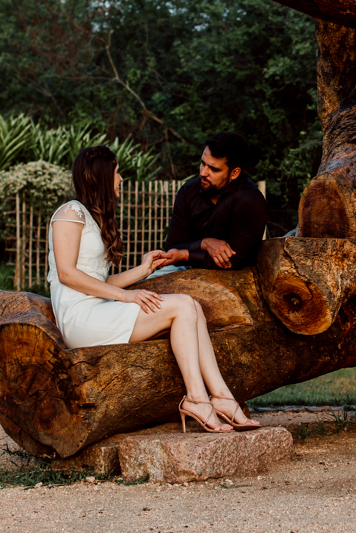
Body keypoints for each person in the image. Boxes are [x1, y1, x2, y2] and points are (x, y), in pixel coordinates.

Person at [47, 145, 259, 433]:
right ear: (101, 177)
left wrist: (143, 269)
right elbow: (67, 275)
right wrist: (126, 296)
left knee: (192, 307)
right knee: (183, 305)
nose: (121, 179)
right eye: (117, 173)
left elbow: (100, 282)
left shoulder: (93, 218)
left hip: (98, 310)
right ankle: (197, 398)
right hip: (79, 318)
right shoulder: (70, 213)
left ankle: (221, 397)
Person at [155, 132, 268, 273]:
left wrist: (185, 254)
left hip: (238, 274)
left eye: (214, 169)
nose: (203, 172)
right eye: (203, 163)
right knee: (142, 288)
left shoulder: (250, 200)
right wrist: (204, 243)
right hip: (184, 267)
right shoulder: (188, 191)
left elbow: (236, 260)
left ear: (234, 173)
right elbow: (173, 246)